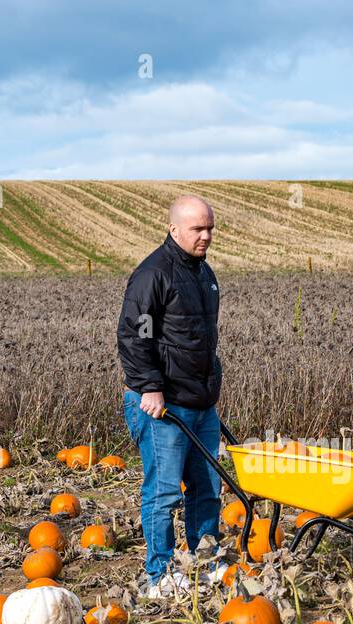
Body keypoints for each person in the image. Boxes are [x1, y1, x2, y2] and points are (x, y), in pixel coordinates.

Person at [116, 195, 223, 597]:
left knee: (207, 487)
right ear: (175, 228)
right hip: (161, 405)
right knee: (163, 492)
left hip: (199, 403)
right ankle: (158, 575)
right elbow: (134, 334)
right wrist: (150, 386)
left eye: (210, 228)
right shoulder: (153, 275)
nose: (206, 236)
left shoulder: (204, 274)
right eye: (198, 228)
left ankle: (206, 561)